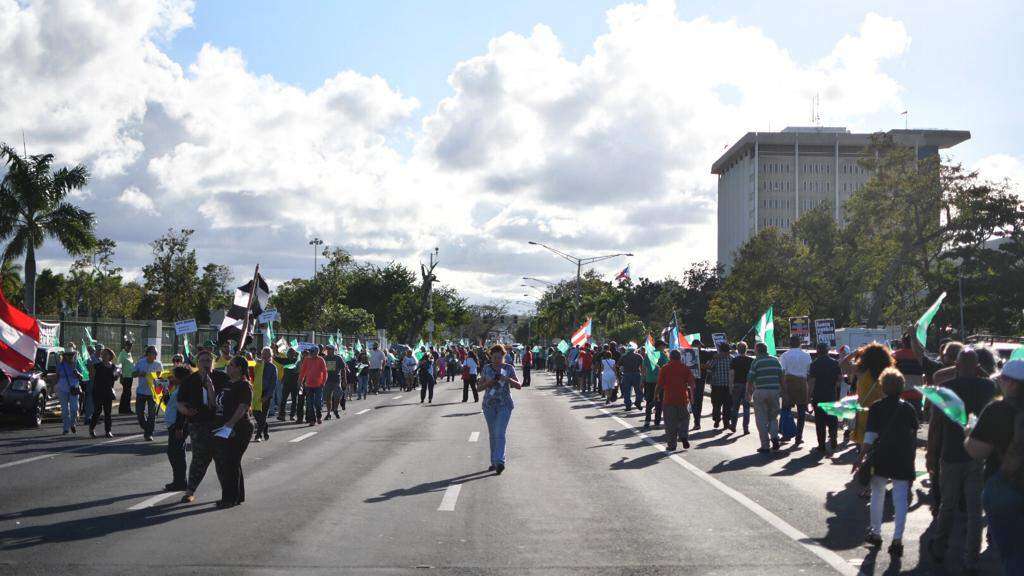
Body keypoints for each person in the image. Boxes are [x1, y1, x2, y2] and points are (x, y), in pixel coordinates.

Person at [927, 348, 998, 573]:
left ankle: (939, 547)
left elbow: (936, 426)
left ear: (956, 366)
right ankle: (971, 558)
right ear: (977, 367)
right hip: (978, 455)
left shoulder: (946, 389)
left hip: (950, 454)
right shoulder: (989, 387)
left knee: (947, 505)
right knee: (975, 511)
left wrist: (932, 454)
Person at [965, 359, 1024, 575]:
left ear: (1011, 383)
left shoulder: (997, 409)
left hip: (1004, 488)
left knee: (1013, 556)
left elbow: (977, 451)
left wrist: (969, 434)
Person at [858, 368, 919, 559]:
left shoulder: (876, 407)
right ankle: (897, 539)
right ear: (901, 386)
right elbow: (913, 434)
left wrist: (861, 457)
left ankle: (876, 533)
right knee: (900, 498)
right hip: (902, 456)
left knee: (877, 494)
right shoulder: (908, 408)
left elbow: (869, 437)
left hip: (882, 455)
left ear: (883, 386)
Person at [177, 349, 228, 504]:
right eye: (203, 361)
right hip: (198, 424)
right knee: (199, 458)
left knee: (222, 459)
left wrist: (210, 386)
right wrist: (185, 411)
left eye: (208, 360)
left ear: (213, 362)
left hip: (218, 424)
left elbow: (220, 402)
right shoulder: (189, 381)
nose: (206, 363)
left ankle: (227, 492)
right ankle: (190, 491)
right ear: (197, 363)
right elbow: (180, 402)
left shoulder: (221, 378)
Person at [213, 355, 254, 509]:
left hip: (239, 428)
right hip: (226, 427)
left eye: (231, 365)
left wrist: (230, 425)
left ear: (239, 368)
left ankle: (229, 498)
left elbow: (243, 407)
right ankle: (238, 495)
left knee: (230, 463)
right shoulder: (227, 383)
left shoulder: (244, 385)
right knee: (232, 462)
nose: (228, 367)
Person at [841, 343, 895, 449]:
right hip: (883, 412)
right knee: (879, 446)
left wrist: (855, 352)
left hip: (865, 413)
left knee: (863, 447)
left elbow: (843, 364)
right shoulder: (887, 372)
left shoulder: (862, 371)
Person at [478, 344, 521, 474]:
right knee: (492, 434)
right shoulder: (486, 369)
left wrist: (506, 379)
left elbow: (519, 385)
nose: (496, 360)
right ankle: (494, 462)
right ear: (490, 357)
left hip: (504, 405)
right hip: (489, 405)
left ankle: (500, 461)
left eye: (499, 357)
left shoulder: (508, 368)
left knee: (499, 432)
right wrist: (489, 383)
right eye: (494, 357)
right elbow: (479, 388)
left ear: (504, 356)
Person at [657, 349, 696, 451]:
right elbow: (692, 384)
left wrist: (655, 395)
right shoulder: (685, 368)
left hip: (669, 399)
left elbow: (659, 385)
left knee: (670, 423)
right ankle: (683, 435)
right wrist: (692, 396)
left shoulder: (665, 368)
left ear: (670, 357)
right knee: (684, 419)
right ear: (680, 357)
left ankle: (672, 445)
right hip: (683, 399)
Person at [747, 342, 783, 453]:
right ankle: (774, 436)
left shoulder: (756, 361)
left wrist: (749, 392)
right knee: (773, 416)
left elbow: (750, 379)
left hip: (761, 391)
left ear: (757, 350)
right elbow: (781, 376)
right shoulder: (775, 360)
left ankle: (765, 445)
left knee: (761, 419)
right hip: (774, 391)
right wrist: (783, 391)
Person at [808, 342, 842, 454]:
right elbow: (839, 380)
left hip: (818, 396)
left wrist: (809, 396)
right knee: (832, 420)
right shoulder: (835, 363)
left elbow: (812, 382)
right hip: (831, 395)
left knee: (820, 422)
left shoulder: (814, 364)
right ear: (827, 351)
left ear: (818, 351)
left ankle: (821, 445)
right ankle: (833, 442)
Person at [779, 335, 812, 445]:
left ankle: (786, 434)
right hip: (802, 383)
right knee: (801, 412)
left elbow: (782, 373)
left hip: (789, 383)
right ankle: (799, 436)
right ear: (800, 344)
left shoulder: (784, 355)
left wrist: (783, 389)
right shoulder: (806, 355)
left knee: (785, 410)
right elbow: (809, 372)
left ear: (790, 344)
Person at [164, 366, 192, 491]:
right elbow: (171, 404)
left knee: (176, 453)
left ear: (180, 378)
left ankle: (180, 481)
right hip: (175, 425)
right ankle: (179, 480)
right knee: (175, 452)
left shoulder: (184, 390)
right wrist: (166, 395)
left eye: (174, 375)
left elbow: (182, 410)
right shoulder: (179, 388)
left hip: (178, 425)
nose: (171, 377)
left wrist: (179, 427)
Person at [132, 346, 163, 441]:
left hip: (152, 393)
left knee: (152, 414)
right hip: (141, 391)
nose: (155, 356)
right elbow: (133, 374)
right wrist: (139, 373)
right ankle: (146, 427)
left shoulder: (158, 364)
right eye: (153, 353)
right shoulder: (141, 362)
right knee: (139, 413)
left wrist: (159, 378)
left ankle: (149, 433)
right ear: (148, 354)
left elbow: (161, 379)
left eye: (156, 354)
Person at [252, 347, 280, 442]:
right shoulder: (257, 364)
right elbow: (248, 363)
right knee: (256, 413)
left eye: (267, 354)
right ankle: (265, 426)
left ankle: (258, 435)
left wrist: (267, 396)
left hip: (266, 394)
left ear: (270, 356)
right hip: (256, 393)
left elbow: (273, 384)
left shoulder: (273, 368)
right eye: (264, 354)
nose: (265, 356)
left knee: (263, 415)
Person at [89, 348, 118, 438]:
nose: (104, 356)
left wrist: (117, 375)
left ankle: (108, 431)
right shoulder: (97, 365)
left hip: (108, 392)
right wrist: (90, 367)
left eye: (106, 354)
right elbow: (91, 375)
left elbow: (115, 377)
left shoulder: (113, 367)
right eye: (103, 354)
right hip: (98, 391)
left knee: (108, 412)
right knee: (97, 411)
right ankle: (91, 428)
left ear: (110, 356)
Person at [706, 343, 733, 429]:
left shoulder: (717, 359)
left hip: (719, 385)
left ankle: (720, 420)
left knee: (719, 405)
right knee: (725, 405)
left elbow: (708, 366)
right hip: (725, 386)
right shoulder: (731, 359)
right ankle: (723, 421)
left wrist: (713, 358)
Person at [56, 351, 83, 435]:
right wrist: (56, 386)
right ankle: (65, 427)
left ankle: (72, 423)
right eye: (68, 355)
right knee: (64, 410)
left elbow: (82, 377)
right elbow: (57, 376)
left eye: (71, 354)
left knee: (74, 409)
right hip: (62, 389)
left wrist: (77, 373)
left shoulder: (77, 364)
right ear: (65, 356)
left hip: (73, 388)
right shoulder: (60, 365)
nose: (70, 356)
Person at [642, 341, 668, 429]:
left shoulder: (648, 354)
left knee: (649, 401)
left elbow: (644, 368)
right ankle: (657, 421)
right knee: (659, 402)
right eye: (664, 346)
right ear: (660, 346)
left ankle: (647, 420)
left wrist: (643, 380)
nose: (665, 348)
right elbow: (667, 366)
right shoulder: (662, 355)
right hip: (659, 382)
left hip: (649, 381)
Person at [729, 342, 753, 434]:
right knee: (746, 407)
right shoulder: (751, 360)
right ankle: (745, 428)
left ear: (738, 350)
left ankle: (733, 425)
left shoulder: (734, 360)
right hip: (747, 385)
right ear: (746, 349)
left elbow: (731, 374)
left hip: (737, 385)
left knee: (735, 407)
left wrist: (730, 386)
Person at [299, 347, 327, 425]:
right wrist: (300, 381)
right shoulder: (306, 360)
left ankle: (319, 416)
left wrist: (323, 382)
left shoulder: (321, 360)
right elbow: (302, 371)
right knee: (309, 403)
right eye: (310, 352)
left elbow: (325, 372)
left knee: (317, 403)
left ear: (317, 352)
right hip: (308, 385)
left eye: (312, 352)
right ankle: (312, 420)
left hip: (318, 385)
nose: (311, 353)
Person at [276, 348, 301, 421]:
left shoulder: (296, 361)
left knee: (294, 400)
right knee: (283, 400)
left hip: (295, 383)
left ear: (293, 354)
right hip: (286, 383)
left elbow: (299, 355)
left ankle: (292, 416)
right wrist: (274, 350)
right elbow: (277, 359)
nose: (289, 354)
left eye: (291, 353)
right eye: (289, 353)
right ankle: (282, 415)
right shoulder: (285, 360)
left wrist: (295, 352)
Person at [323, 345, 345, 420]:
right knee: (328, 397)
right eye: (327, 349)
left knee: (337, 396)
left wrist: (344, 380)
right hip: (327, 380)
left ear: (333, 350)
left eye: (330, 349)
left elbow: (343, 369)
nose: (328, 351)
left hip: (336, 380)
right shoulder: (324, 358)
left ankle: (335, 409)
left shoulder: (338, 358)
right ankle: (328, 413)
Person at [618, 345, 643, 411]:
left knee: (627, 391)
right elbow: (642, 367)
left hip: (626, 375)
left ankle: (628, 405)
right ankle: (638, 402)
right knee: (638, 390)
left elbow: (618, 365)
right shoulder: (639, 356)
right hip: (637, 374)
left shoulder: (624, 357)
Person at [116, 340, 134, 414]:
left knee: (127, 393)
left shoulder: (129, 354)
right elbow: (119, 366)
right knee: (127, 393)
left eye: (131, 346)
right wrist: (121, 377)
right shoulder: (122, 354)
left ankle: (123, 409)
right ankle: (125, 409)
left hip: (130, 376)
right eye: (129, 345)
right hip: (125, 377)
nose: (130, 347)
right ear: (125, 346)